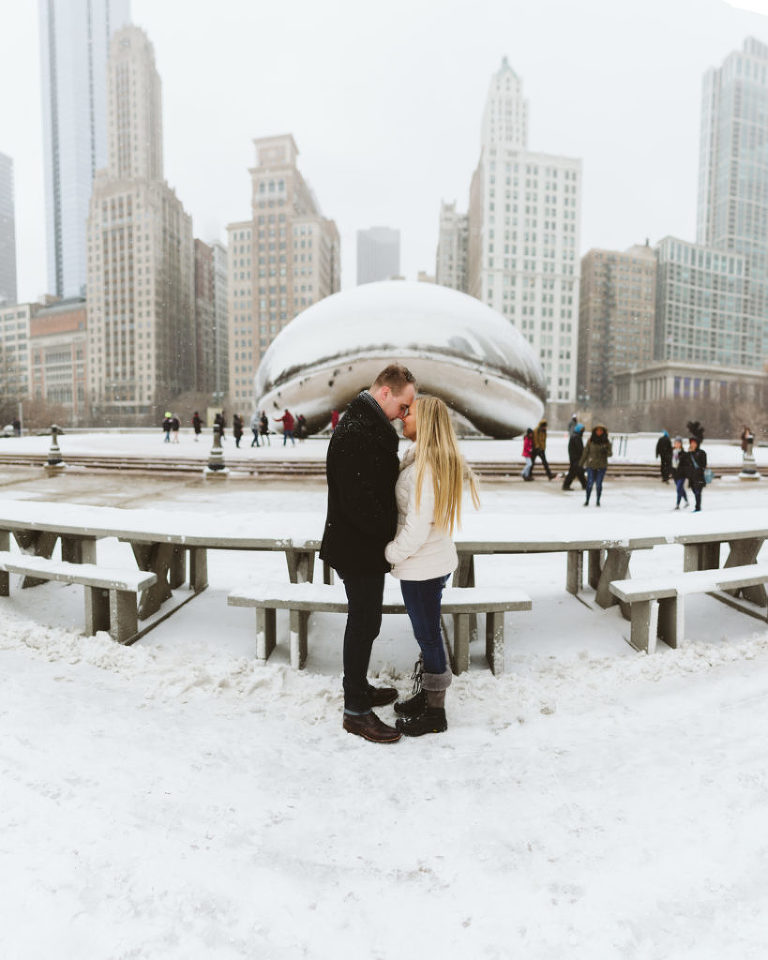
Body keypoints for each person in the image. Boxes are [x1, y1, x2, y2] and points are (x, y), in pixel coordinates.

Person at [319, 362, 416, 744]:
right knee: (362, 625)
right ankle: (356, 710)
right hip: (357, 547)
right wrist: (390, 533)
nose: (404, 415)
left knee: (367, 622)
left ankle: (358, 688)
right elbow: (359, 502)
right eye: (403, 406)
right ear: (385, 393)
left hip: (360, 545)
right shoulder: (357, 431)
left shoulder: (364, 425)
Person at [385, 396, 480, 736]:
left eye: (409, 413)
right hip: (431, 562)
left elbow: (417, 526)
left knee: (428, 636)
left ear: (425, 422)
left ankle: (435, 713)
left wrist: (390, 553)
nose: (403, 416)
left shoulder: (425, 469)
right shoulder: (426, 461)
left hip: (421, 565)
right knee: (427, 634)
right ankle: (427, 696)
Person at [580, 424, 612, 507]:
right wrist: (581, 463)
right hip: (591, 465)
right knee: (589, 483)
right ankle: (587, 500)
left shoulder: (606, 442)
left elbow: (610, 454)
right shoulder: (590, 441)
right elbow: (585, 452)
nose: (599, 432)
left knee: (598, 484)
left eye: (601, 430)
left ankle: (598, 500)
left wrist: (605, 450)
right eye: (597, 430)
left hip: (601, 466)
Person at [680, 435, 707, 512]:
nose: (693, 445)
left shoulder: (702, 453)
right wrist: (689, 453)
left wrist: (699, 470)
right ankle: (697, 506)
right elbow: (684, 462)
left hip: (699, 476)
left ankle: (698, 507)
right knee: (694, 491)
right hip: (691, 476)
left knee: (698, 492)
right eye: (691, 443)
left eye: (694, 443)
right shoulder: (688, 454)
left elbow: (704, 464)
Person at [562, 423, 587, 491]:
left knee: (578, 472)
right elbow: (579, 448)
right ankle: (566, 485)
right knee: (574, 472)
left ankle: (585, 485)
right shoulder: (576, 437)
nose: (583, 431)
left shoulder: (575, 436)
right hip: (576, 458)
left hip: (574, 458)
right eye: (582, 430)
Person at [671, 436, 689, 510]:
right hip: (675, 474)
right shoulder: (672, 452)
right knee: (681, 489)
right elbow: (670, 464)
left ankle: (677, 504)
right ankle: (686, 501)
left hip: (682, 474)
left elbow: (686, 464)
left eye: (678, 443)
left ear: (681, 444)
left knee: (678, 489)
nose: (677, 444)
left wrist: (685, 472)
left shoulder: (683, 453)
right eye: (676, 443)